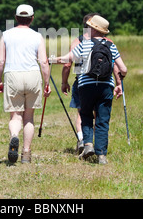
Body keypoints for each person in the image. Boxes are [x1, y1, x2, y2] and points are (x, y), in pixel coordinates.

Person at [52, 15, 127, 165]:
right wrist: (119, 83)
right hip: (106, 86)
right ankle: (101, 155)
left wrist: (50, 59)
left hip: (86, 86)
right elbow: (123, 69)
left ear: (93, 29)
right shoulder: (111, 45)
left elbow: (67, 59)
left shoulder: (83, 45)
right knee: (102, 119)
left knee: (85, 114)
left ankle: (88, 145)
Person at [0, 4, 51, 164]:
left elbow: (0, 61)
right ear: (32, 18)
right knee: (29, 117)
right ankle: (26, 153)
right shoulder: (37, 36)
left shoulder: (6, 35)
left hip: (13, 75)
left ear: (16, 17)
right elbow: (43, 62)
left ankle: (14, 136)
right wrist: (46, 82)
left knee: (15, 116)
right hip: (33, 75)